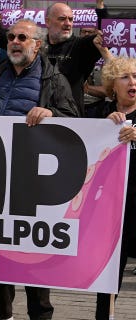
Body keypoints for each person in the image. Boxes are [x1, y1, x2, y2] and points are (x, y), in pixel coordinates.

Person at [0, 19, 78, 320]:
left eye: (22, 37)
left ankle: (40, 312)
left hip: (30, 179)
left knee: (31, 247)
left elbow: (75, 119)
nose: (15, 41)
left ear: (36, 44)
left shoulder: (53, 80)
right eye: (11, 37)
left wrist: (51, 113)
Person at [95, 56, 136, 320]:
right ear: (112, 84)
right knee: (109, 274)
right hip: (110, 208)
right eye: (125, 77)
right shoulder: (100, 114)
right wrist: (102, 127)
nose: (132, 82)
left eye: (135, 76)